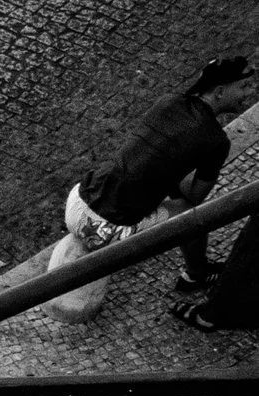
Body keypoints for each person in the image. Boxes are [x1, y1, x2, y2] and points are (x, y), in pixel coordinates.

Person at [51, 54, 256, 311]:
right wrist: (179, 174)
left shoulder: (168, 102)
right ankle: (197, 273)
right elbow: (195, 196)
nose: (250, 92)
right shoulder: (216, 140)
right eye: (245, 86)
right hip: (106, 228)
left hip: (78, 201)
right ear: (220, 92)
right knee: (195, 217)